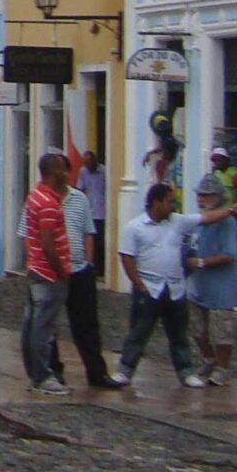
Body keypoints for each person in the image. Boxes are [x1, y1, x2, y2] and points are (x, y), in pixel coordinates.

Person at [109, 184, 205, 388]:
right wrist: (138, 284)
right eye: (170, 201)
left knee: (178, 333)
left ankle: (186, 371)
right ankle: (125, 370)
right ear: (156, 202)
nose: (173, 206)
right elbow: (127, 257)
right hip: (149, 288)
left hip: (174, 288)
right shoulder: (134, 227)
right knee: (139, 332)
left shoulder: (177, 222)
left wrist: (231, 211)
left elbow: (204, 219)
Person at [19, 151, 73, 397]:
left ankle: (34, 373)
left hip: (36, 269)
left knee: (32, 323)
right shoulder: (49, 203)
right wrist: (61, 271)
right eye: (63, 169)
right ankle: (42, 376)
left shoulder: (35, 196)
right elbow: (48, 242)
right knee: (43, 326)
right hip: (48, 273)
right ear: (54, 173)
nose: (67, 173)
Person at [60, 151, 114, 389]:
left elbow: (88, 232)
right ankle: (52, 371)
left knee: (88, 324)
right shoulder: (39, 200)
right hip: (52, 272)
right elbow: (28, 235)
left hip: (80, 270)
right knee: (48, 324)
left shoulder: (79, 200)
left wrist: (90, 264)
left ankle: (96, 371)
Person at [185, 173, 237, 384]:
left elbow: (229, 254)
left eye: (206, 195)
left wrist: (201, 262)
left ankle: (222, 368)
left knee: (222, 331)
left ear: (218, 197)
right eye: (199, 195)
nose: (201, 199)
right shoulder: (199, 221)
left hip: (222, 285)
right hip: (199, 284)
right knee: (197, 328)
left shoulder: (227, 223)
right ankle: (209, 359)